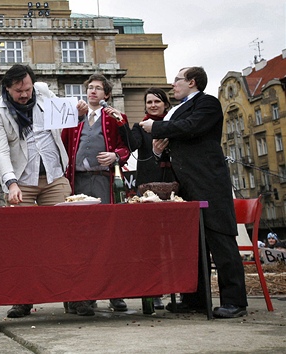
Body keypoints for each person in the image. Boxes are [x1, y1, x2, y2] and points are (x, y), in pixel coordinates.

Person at [140, 66, 248, 318]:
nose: (173, 85)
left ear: (192, 82)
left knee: (220, 241)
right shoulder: (178, 109)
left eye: (177, 80)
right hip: (186, 184)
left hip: (208, 183)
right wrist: (158, 148)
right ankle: (195, 298)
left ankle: (235, 301)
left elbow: (192, 127)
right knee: (192, 244)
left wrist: (155, 128)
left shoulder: (207, 103)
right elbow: (177, 141)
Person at [0, 64, 72, 318]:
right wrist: (10, 183)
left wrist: (74, 112)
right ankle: (22, 298)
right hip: (21, 180)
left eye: (27, 89)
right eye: (18, 91)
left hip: (55, 175)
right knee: (19, 242)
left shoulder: (44, 93)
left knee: (66, 239)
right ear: (7, 88)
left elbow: (64, 117)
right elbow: (0, 150)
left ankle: (76, 297)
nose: (24, 95)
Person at [61, 73, 130, 316]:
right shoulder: (75, 118)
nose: (93, 92)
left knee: (106, 236)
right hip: (77, 182)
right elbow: (62, 144)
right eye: (90, 88)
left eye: (98, 88)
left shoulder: (115, 117)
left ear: (107, 94)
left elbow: (127, 145)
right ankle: (81, 296)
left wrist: (116, 156)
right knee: (80, 239)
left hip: (102, 181)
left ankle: (114, 293)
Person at [115, 87, 175, 310]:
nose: (152, 105)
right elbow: (132, 145)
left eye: (157, 101)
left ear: (165, 104)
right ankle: (155, 292)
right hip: (148, 190)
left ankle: (179, 290)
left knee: (173, 242)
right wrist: (122, 123)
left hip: (175, 187)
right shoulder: (141, 127)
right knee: (151, 243)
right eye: (149, 102)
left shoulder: (174, 124)